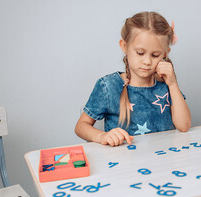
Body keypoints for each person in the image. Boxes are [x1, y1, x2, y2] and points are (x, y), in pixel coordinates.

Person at [75, 11, 191, 147]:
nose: (147, 61)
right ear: (124, 46)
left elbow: (184, 126)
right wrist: (102, 136)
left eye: (155, 55)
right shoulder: (108, 86)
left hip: (163, 161)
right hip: (125, 164)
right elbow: (81, 127)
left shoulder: (165, 85)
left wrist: (172, 84)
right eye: (140, 53)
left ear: (165, 54)